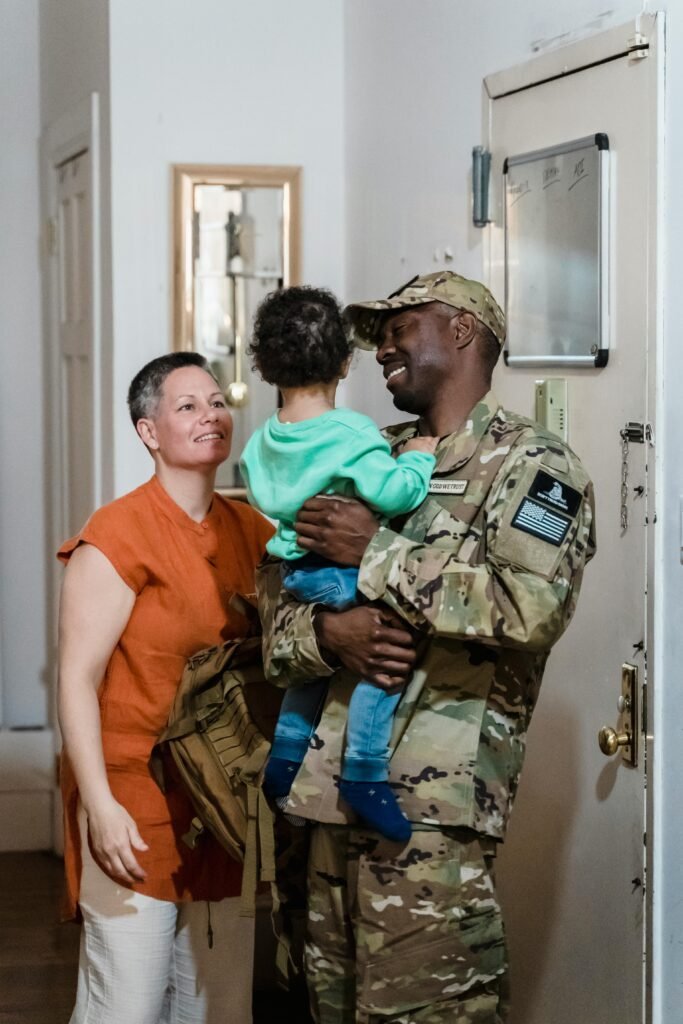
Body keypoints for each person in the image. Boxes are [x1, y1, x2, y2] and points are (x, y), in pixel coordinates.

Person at [255, 271, 596, 1024]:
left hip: (431, 824)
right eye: (377, 333)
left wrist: (375, 552)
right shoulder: (355, 454)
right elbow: (275, 615)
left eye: (400, 326)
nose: (380, 347)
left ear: (463, 330)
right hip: (319, 803)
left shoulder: (534, 467)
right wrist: (325, 634)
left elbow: (528, 606)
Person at [57, 352, 273, 1024]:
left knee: (219, 1005)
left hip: (223, 801)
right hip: (135, 796)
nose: (211, 415)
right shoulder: (117, 534)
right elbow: (76, 676)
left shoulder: (252, 531)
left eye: (216, 402)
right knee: (128, 1000)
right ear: (148, 431)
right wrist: (98, 802)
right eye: (187, 406)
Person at [240, 286, 437, 843]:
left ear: (263, 364)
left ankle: (285, 754)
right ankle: (365, 769)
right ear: (345, 363)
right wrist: (417, 462)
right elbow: (395, 494)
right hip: (341, 573)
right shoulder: (352, 433)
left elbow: (267, 496)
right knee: (387, 651)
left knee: (313, 666)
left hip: (298, 575)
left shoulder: (261, 443)